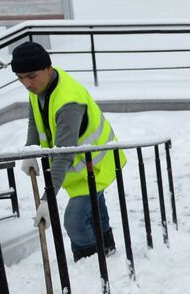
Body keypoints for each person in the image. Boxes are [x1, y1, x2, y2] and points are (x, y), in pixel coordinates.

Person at [11, 41, 126, 261]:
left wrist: (47, 201)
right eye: (20, 77)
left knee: (74, 221)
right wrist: (31, 150)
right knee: (95, 209)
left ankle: (91, 262)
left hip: (95, 166)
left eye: (31, 76)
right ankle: (107, 251)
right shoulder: (40, 86)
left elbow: (64, 156)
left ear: (48, 68)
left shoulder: (68, 102)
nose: (26, 83)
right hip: (82, 165)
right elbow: (34, 119)